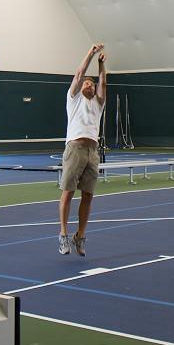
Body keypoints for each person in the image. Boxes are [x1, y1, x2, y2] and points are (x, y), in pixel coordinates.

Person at [58, 43, 107, 257]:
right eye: (87, 83)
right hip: (75, 148)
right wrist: (91, 53)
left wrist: (101, 65)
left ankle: (80, 235)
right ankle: (63, 234)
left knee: (88, 195)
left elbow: (103, 82)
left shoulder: (98, 104)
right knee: (68, 192)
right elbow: (79, 73)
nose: (89, 85)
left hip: (92, 151)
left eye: (91, 84)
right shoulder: (74, 99)